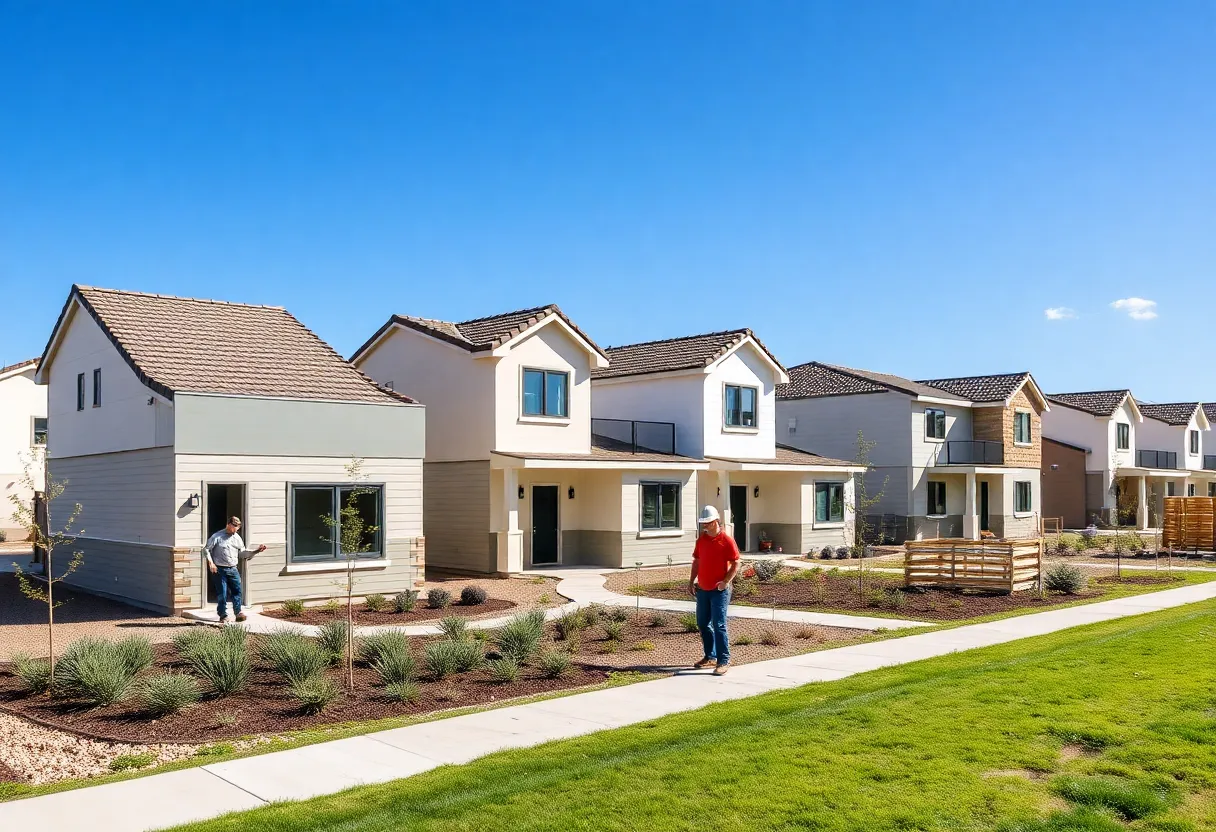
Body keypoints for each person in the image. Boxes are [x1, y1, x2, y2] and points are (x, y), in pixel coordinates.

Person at [688, 505, 740, 675]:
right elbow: (697, 561)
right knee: (703, 623)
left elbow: (736, 563)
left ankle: (723, 660)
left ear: (716, 521)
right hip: (703, 589)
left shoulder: (726, 540)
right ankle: (710, 656)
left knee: (719, 625)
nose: (705, 526)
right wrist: (691, 581)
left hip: (720, 590)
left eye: (708, 522)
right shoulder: (701, 540)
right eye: (703, 523)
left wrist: (725, 582)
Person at [204, 516, 266, 623]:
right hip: (219, 569)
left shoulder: (237, 538)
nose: (236, 531)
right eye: (234, 528)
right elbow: (206, 549)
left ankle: (238, 613)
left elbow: (242, 553)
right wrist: (211, 563)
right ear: (229, 525)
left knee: (237, 591)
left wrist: (256, 551)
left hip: (233, 569)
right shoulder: (217, 536)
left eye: (238, 529)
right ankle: (223, 615)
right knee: (222, 594)